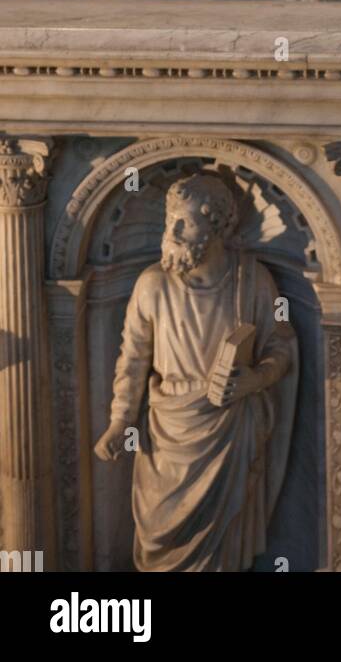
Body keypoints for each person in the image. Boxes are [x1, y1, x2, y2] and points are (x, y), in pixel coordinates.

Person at [93, 172, 297, 572]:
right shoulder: (151, 285)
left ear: (217, 223)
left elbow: (281, 345)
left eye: (184, 221)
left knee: (224, 550)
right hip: (169, 433)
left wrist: (256, 379)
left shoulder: (253, 281)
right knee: (158, 540)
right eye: (170, 220)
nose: (172, 230)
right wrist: (120, 422)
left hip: (230, 431)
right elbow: (132, 359)